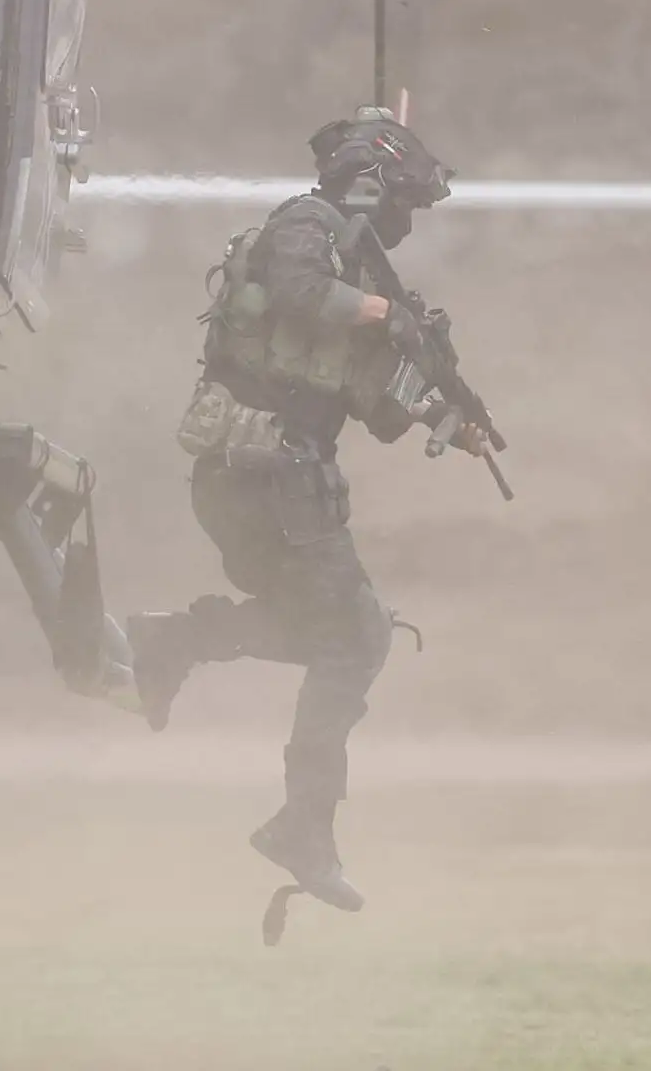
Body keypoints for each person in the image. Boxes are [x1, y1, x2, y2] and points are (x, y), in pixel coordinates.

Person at [127, 105, 476, 913]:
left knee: (344, 637)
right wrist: (392, 318)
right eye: (401, 204)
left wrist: (444, 412)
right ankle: (301, 825)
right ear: (370, 185)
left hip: (275, 482)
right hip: (261, 476)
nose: (404, 224)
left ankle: (173, 643)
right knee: (355, 637)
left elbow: (373, 404)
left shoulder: (355, 277)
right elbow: (296, 291)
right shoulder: (306, 227)